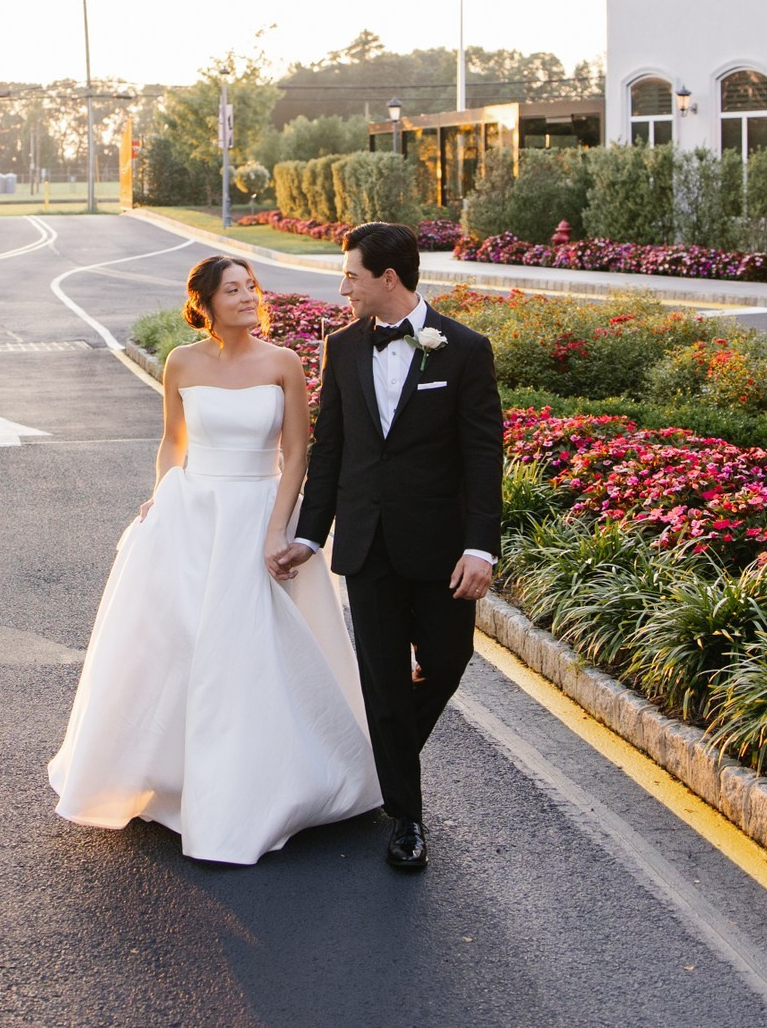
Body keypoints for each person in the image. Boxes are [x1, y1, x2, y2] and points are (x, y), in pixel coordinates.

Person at [49, 255, 381, 863]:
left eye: (250, 287)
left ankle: (260, 788)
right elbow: (173, 440)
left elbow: (297, 454)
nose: (248, 297)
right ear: (205, 304)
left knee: (249, 653)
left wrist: (278, 529)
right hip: (192, 514)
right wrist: (161, 496)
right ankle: (172, 778)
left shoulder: (283, 363)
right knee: (176, 647)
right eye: (233, 290)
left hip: (259, 515)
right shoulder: (181, 362)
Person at [270, 221, 501, 872]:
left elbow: (484, 456)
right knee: (383, 679)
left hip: (441, 548)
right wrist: (309, 534)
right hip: (366, 547)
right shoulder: (342, 347)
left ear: (388, 278)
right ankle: (406, 818)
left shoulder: (464, 349)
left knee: (448, 661)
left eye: (352, 276)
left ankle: (377, 752)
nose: (344, 288)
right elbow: (332, 449)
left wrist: (481, 547)